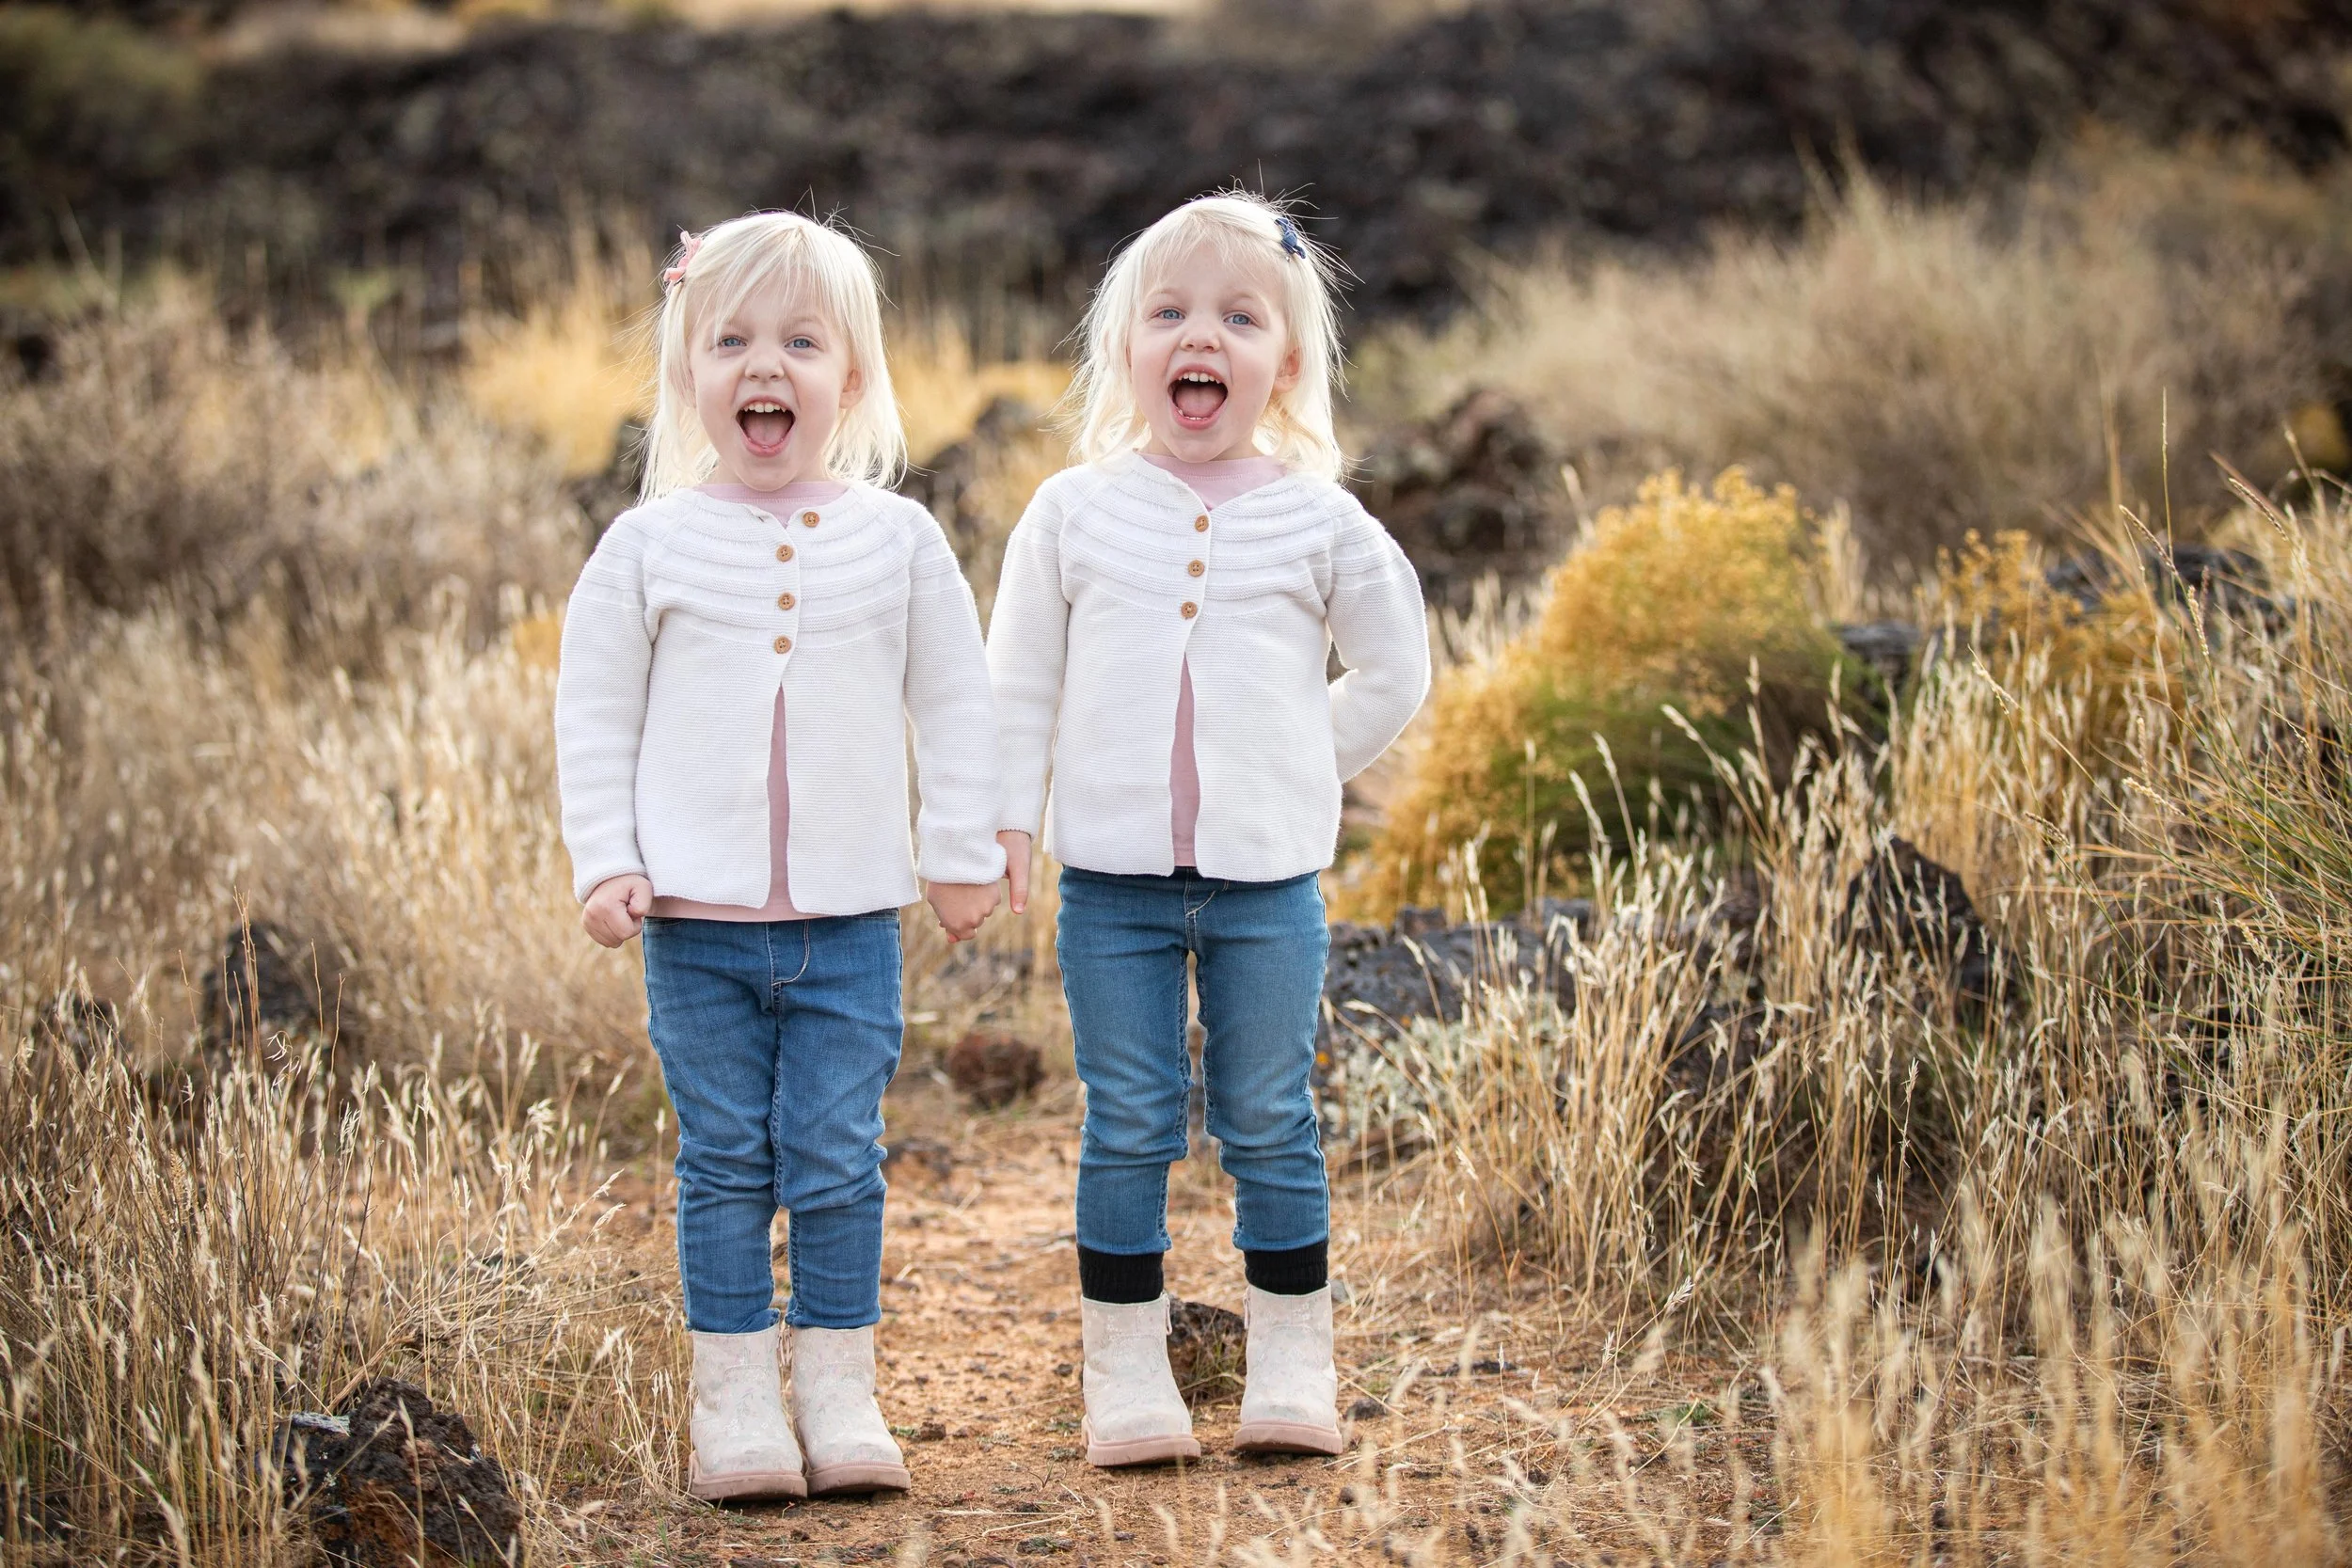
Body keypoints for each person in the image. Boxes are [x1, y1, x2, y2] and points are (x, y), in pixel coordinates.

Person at [555, 212, 1004, 1501]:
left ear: (849, 379)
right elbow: (594, 713)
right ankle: (736, 1399)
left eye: (801, 341)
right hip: (693, 924)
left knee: (834, 1151)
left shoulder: (900, 540)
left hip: (852, 919)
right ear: (690, 375)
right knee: (724, 1158)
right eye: (733, 340)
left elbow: (956, 701)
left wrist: (961, 848)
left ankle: (838, 1387)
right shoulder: (645, 547)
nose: (767, 365)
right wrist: (606, 859)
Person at [987, 192, 1430, 1465]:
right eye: (1170, 314)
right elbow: (1017, 683)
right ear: (1128, 350)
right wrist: (1007, 821)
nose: (1203, 336)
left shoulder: (1321, 518)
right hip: (1111, 890)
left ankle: (1293, 1361)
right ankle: (1125, 1373)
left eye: (1241, 317)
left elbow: (1395, 671)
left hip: (1267, 891)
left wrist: (1298, 767)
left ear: (1284, 361)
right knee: (1128, 1114)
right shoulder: (1072, 512)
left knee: (1268, 1114)